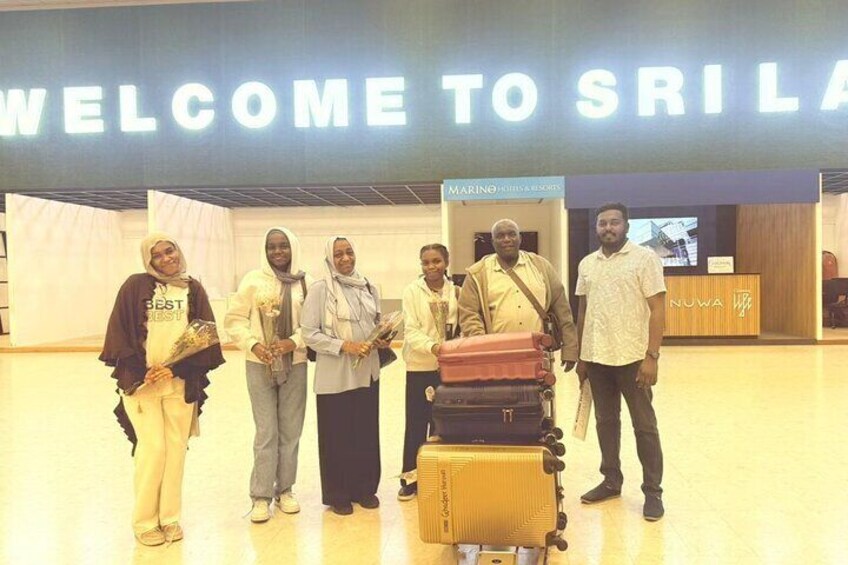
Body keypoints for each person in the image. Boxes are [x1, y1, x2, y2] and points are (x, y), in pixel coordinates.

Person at [100, 233, 225, 546]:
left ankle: (169, 519)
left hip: (178, 383)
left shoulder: (193, 289)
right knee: (152, 449)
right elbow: (119, 332)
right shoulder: (134, 286)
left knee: (175, 449)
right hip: (142, 384)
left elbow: (204, 336)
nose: (167, 258)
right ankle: (144, 522)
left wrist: (175, 369)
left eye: (170, 251)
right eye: (157, 255)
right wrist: (143, 371)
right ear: (148, 260)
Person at [574, 202, 667, 521]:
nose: (608, 228)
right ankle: (611, 481)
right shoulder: (587, 264)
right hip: (597, 358)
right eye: (602, 223)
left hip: (633, 358)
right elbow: (583, 312)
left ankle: (652, 492)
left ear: (626, 225)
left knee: (645, 426)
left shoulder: (645, 259)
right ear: (596, 228)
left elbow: (658, 309)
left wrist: (652, 356)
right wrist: (582, 358)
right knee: (606, 422)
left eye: (614, 222)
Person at [224, 227, 312, 522]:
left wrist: (293, 342)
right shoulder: (252, 280)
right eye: (271, 246)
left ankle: (284, 489)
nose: (278, 252)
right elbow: (234, 320)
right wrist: (254, 345)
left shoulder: (306, 282)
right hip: (258, 363)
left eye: (283, 246)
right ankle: (260, 495)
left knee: (291, 430)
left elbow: (314, 325)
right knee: (266, 431)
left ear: (293, 247)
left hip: (295, 363)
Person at [300, 236, 391, 516]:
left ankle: (365, 488)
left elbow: (375, 322)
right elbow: (309, 333)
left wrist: (382, 337)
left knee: (365, 431)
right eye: (338, 254)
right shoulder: (320, 290)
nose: (345, 258)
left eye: (349, 252)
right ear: (330, 258)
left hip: (366, 371)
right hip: (335, 374)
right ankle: (338, 493)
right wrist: (344, 346)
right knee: (336, 435)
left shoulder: (368, 286)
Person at [458, 218, 578, 370]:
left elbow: (563, 310)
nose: (507, 239)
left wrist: (570, 349)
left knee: (539, 387)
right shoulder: (477, 273)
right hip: (497, 357)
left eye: (512, 234)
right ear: (493, 242)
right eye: (500, 236)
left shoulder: (541, 266)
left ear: (520, 238)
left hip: (538, 354)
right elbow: (468, 315)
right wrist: (483, 347)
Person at [397, 243, 459, 501]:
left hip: (449, 368)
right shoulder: (412, 291)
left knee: (443, 423)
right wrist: (433, 347)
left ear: (446, 262)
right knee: (416, 423)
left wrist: (451, 350)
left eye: (436, 261)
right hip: (420, 366)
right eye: (426, 262)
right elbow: (410, 330)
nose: (431, 266)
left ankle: (438, 477)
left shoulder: (456, 291)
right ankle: (410, 479)